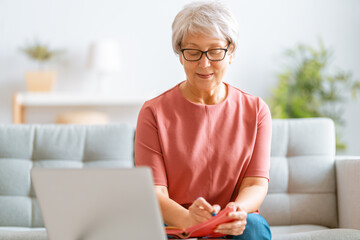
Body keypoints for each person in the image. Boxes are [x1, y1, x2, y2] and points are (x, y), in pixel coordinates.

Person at [135, 1, 272, 239]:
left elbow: (255, 184)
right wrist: (188, 220)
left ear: (231, 52)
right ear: (180, 54)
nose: (204, 63)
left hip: (232, 226)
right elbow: (154, 191)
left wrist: (235, 211)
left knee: (255, 227)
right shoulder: (153, 112)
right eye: (193, 51)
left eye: (215, 51)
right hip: (176, 227)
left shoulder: (256, 110)